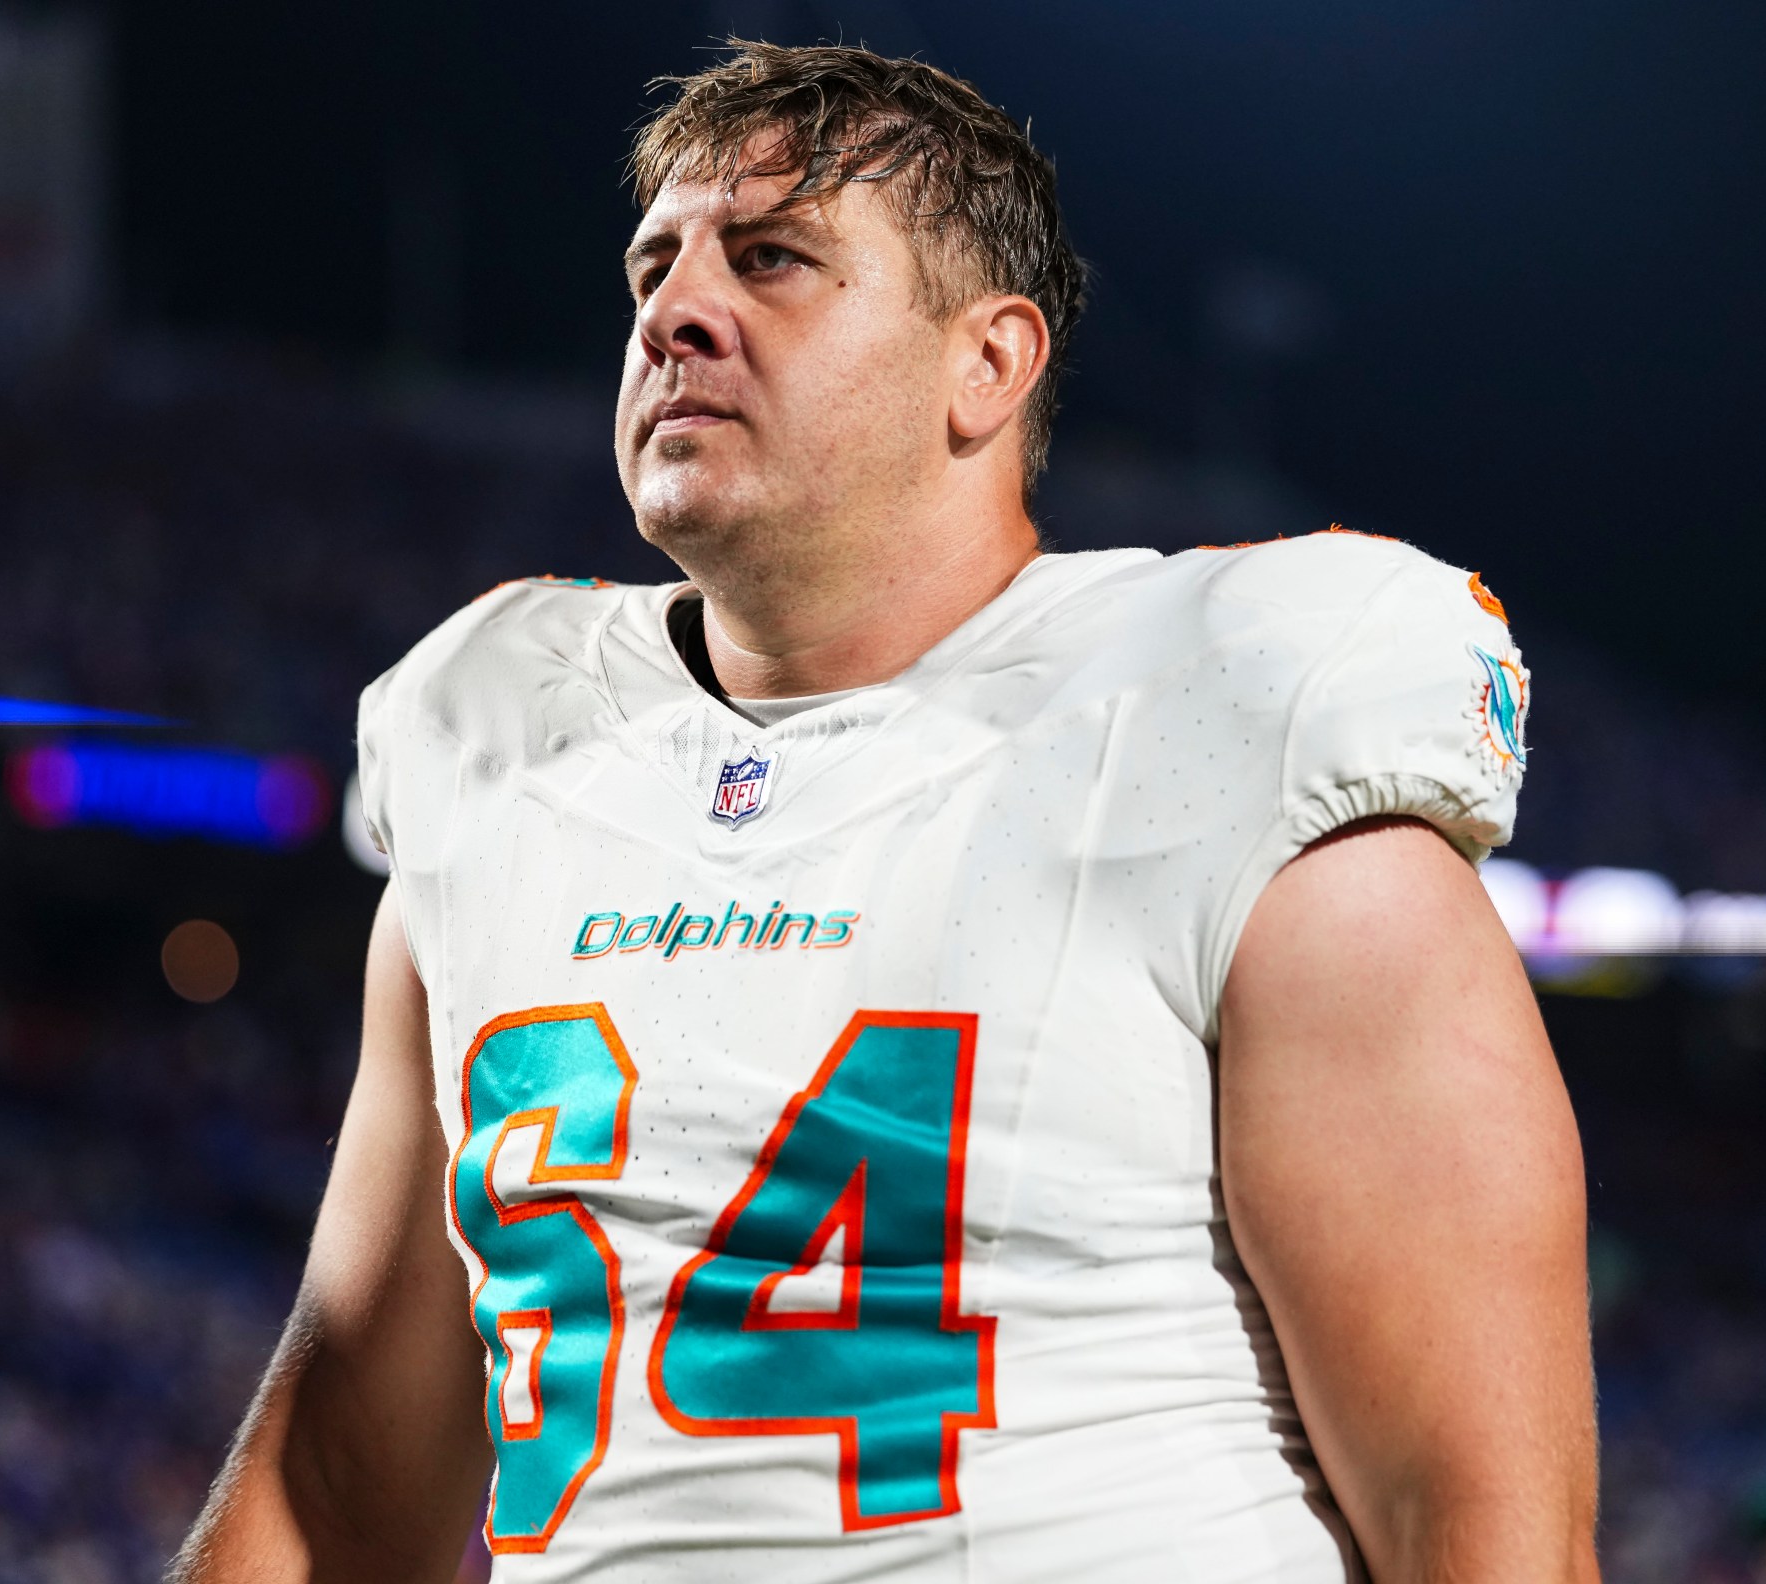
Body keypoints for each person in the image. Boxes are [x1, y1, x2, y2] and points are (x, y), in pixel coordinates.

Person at [175, 42, 1597, 1583]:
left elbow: (1480, 1525)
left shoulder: (1235, 733)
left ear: (987, 363)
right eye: (655, 265)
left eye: (771, 258)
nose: (673, 311)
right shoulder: (505, 763)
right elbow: (338, 1490)